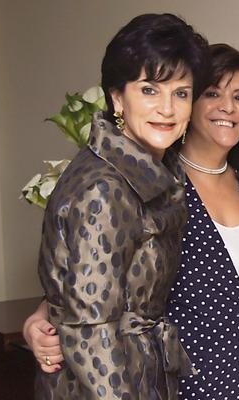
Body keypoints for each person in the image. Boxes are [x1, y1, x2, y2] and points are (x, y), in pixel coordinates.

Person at [30, 13, 209, 399]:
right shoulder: (104, 188)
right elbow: (90, 331)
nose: (168, 108)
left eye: (180, 93)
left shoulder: (152, 169)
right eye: (149, 89)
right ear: (117, 98)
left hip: (142, 372)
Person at [165, 43, 239, 400]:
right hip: (186, 387)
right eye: (213, 93)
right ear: (189, 102)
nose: (228, 107)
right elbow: (113, 265)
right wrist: (45, 310)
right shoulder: (160, 185)